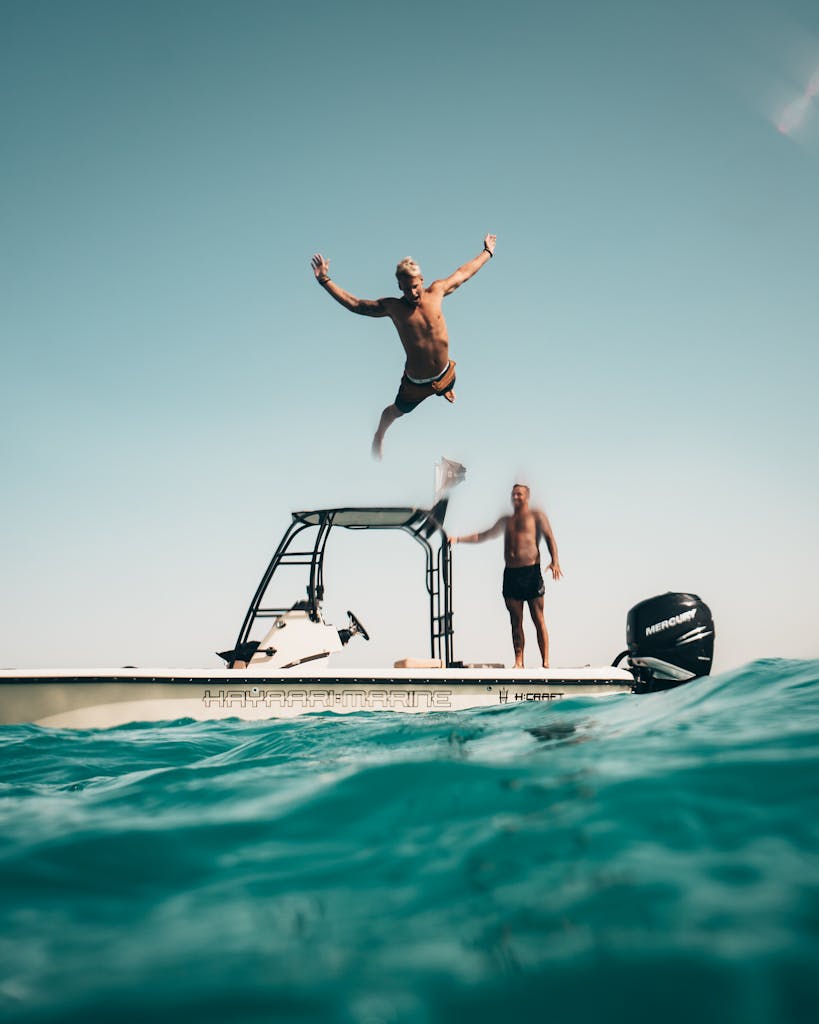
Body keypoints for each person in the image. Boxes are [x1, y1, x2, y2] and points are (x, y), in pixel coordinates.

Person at [310, 234, 497, 458]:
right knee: (394, 413)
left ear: (422, 280)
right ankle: (380, 433)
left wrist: (487, 252)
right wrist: (324, 280)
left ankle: (445, 389)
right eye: (406, 289)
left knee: (448, 384)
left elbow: (463, 273)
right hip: (415, 384)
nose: (413, 293)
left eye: (416, 287)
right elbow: (357, 305)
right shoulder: (393, 307)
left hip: (447, 373)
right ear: (399, 286)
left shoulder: (437, 291)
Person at [451, 484, 563, 668]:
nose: (515, 497)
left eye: (519, 494)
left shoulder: (537, 516)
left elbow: (550, 538)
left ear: (527, 496)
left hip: (531, 572)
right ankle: (519, 662)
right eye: (513, 494)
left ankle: (545, 662)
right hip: (511, 574)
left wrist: (555, 561)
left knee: (538, 618)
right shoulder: (506, 521)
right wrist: (458, 539)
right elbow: (484, 535)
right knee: (515, 621)